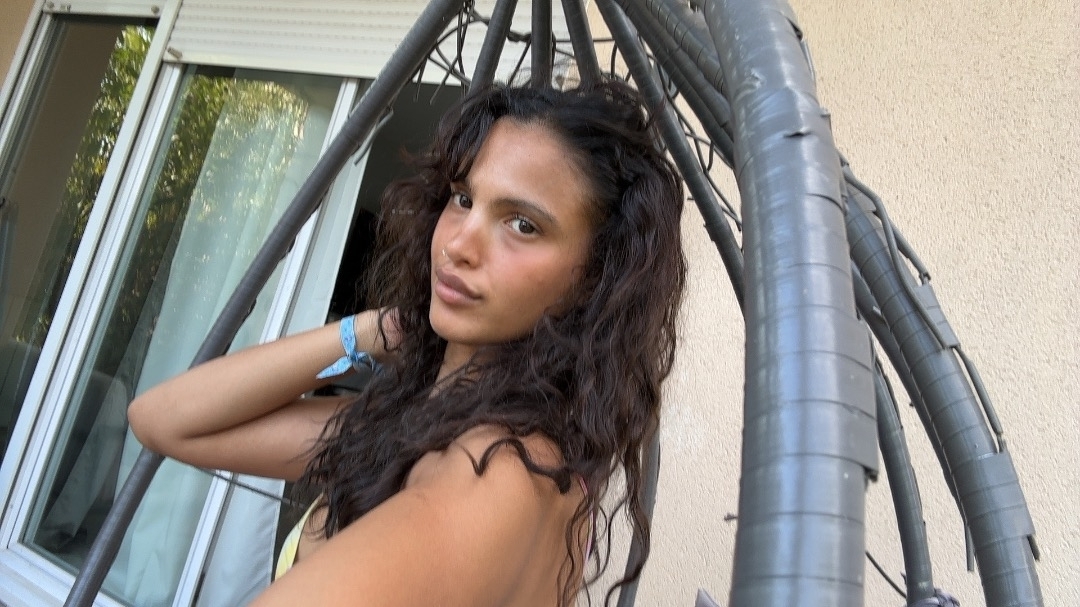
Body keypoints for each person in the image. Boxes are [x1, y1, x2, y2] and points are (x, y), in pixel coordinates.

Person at [128, 80, 686, 607]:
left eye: (522, 225)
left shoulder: (495, 474)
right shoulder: (418, 423)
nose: (459, 244)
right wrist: (371, 330)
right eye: (463, 198)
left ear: (596, 278)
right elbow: (162, 419)